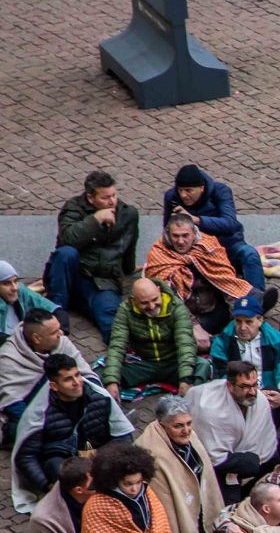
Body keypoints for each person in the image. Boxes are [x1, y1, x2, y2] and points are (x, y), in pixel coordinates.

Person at [10, 351, 133, 512]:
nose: (77, 382)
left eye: (77, 375)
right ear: (54, 386)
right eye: (68, 379)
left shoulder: (99, 398)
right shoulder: (40, 413)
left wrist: (99, 455)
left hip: (98, 456)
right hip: (62, 462)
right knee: (59, 469)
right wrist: (47, 484)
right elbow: (26, 456)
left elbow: (124, 436)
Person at [133, 398, 222, 533]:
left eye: (189, 423)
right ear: (162, 424)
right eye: (178, 426)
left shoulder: (190, 436)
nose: (186, 430)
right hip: (176, 507)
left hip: (196, 502)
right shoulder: (150, 451)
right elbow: (161, 495)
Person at [47, 170, 141, 337]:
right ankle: (57, 315)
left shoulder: (128, 214)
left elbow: (129, 246)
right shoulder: (73, 208)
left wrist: (129, 270)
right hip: (73, 274)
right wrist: (95, 220)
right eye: (105, 198)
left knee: (111, 320)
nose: (112, 201)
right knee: (66, 254)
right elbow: (68, 239)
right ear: (90, 198)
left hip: (102, 281)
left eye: (114, 195)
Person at [143, 209, 250, 338]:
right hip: (183, 316)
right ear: (167, 235)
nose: (180, 241)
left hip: (214, 307)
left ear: (194, 233)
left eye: (185, 235)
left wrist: (237, 316)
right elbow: (168, 298)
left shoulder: (208, 246)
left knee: (247, 302)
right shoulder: (158, 254)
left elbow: (226, 282)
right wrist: (194, 326)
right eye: (175, 236)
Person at [211, 294, 280, 427]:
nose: (243, 327)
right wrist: (247, 393)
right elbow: (221, 375)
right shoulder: (223, 341)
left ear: (260, 320)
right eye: (238, 321)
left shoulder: (277, 340)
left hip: (269, 393)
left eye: (248, 322)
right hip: (237, 395)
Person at [185, 361, 276, 503]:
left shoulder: (260, 399)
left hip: (246, 457)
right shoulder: (210, 409)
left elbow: (266, 441)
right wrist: (245, 461)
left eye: (254, 385)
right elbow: (214, 457)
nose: (252, 392)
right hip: (212, 464)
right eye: (245, 387)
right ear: (230, 386)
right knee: (228, 501)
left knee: (270, 461)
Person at [103, 276, 198, 396]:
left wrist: (185, 379)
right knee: (104, 373)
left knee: (202, 367)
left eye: (154, 299)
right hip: (144, 363)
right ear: (133, 300)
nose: (152, 306)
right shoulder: (125, 310)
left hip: (173, 363)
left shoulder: (176, 307)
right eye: (144, 303)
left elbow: (185, 343)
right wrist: (112, 381)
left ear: (159, 290)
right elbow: (117, 345)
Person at [0, 309, 81, 441]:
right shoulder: (8, 357)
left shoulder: (61, 342)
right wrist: (46, 425)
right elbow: (12, 404)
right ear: (37, 338)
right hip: (26, 415)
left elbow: (87, 376)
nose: (61, 334)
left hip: (61, 405)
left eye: (59, 329)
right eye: (54, 333)